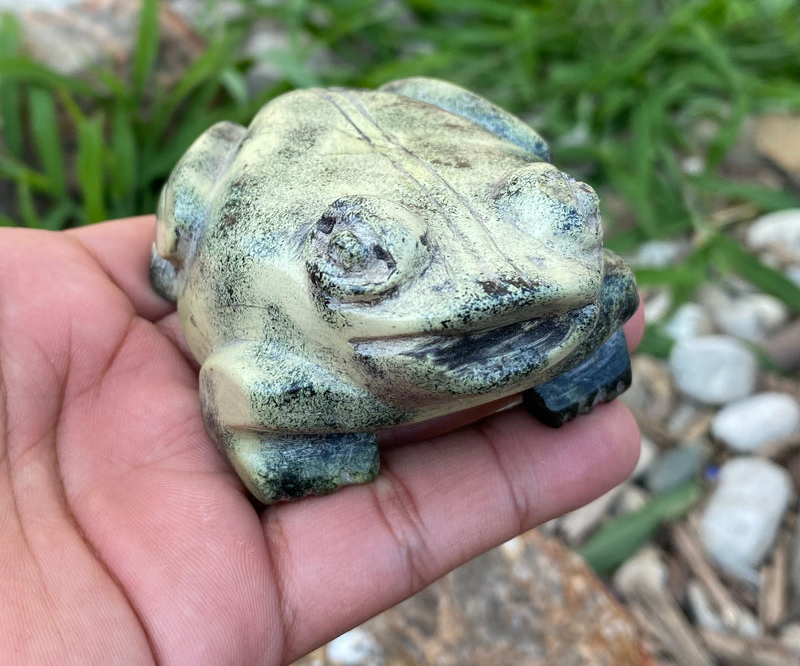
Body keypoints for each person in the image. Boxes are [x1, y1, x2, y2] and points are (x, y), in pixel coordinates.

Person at [0, 216, 644, 665]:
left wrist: (576, 331)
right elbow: (232, 381)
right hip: (337, 284)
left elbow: (603, 287)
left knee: (590, 299)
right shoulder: (312, 370)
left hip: (505, 240)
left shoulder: (572, 294)